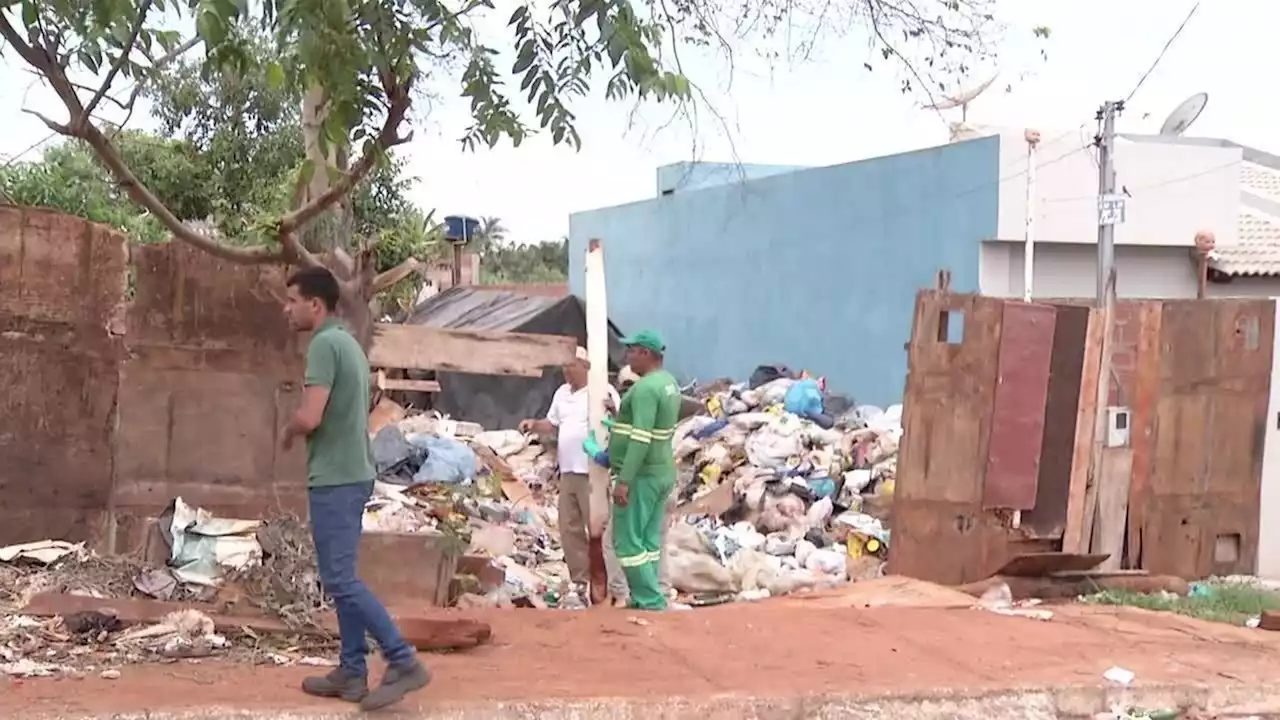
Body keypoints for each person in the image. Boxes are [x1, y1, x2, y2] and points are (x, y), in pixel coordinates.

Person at [280, 266, 429, 711]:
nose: (286, 310)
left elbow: (311, 415)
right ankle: (351, 670)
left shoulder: (324, 345)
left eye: (292, 301)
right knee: (340, 577)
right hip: (352, 471)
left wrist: (288, 431)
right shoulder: (348, 343)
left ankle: (401, 658)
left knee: (341, 579)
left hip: (336, 476)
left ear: (315, 304)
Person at [518, 347, 620, 604]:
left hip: (593, 472)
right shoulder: (562, 393)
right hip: (568, 471)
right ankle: (580, 582)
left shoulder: (601, 391)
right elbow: (552, 424)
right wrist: (534, 424)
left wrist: (613, 414)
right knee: (569, 529)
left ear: (585, 366)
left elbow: (620, 423)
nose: (566, 372)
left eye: (571, 366)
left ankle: (607, 584)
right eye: (564, 367)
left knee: (598, 530)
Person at [607, 330, 682, 610]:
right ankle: (646, 598)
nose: (628, 357)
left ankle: (650, 600)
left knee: (627, 542)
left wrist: (624, 479)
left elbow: (640, 436)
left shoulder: (646, 389)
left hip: (642, 475)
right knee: (649, 541)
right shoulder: (669, 383)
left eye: (632, 351)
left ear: (646, 354)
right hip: (661, 471)